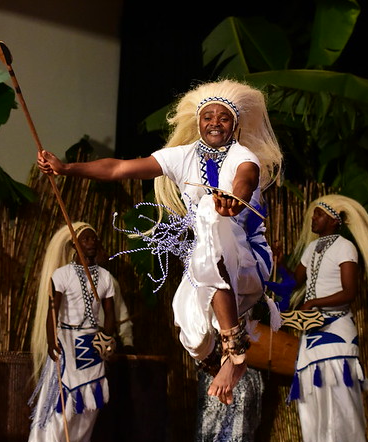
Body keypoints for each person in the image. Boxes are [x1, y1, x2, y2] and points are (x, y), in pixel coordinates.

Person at [37, 79, 283, 405]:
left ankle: (234, 346)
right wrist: (66, 168)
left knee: (210, 211)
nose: (214, 123)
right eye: (207, 117)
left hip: (245, 259)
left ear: (234, 124)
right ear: (198, 122)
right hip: (206, 260)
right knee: (188, 325)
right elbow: (118, 168)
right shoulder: (181, 157)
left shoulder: (243, 156)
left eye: (223, 117)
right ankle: (218, 363)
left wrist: (233, 202)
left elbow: (245, 181)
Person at [283, 195, 368, 442]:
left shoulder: (346, 247)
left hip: (336, 332)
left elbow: (350, 292)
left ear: (335, 220)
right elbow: (291, 283)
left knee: (342, 404)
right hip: (311, 337)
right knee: (313, 405)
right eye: (313, 216)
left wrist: (315, 303)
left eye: (319, 216)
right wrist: (276, 264)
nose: (313, 220)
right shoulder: (311, 249)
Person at [28, 222, 116, 442]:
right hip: (67, 338)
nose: (91, 243)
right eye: (86, 239)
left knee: (91, 406)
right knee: (65, 403)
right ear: (75, 245)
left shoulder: (106, 277)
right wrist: (50, 339)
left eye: (94, 239)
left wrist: (106, 338)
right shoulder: (62, 275)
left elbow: (109, 313)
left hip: (93, 342)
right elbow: (52, 310)